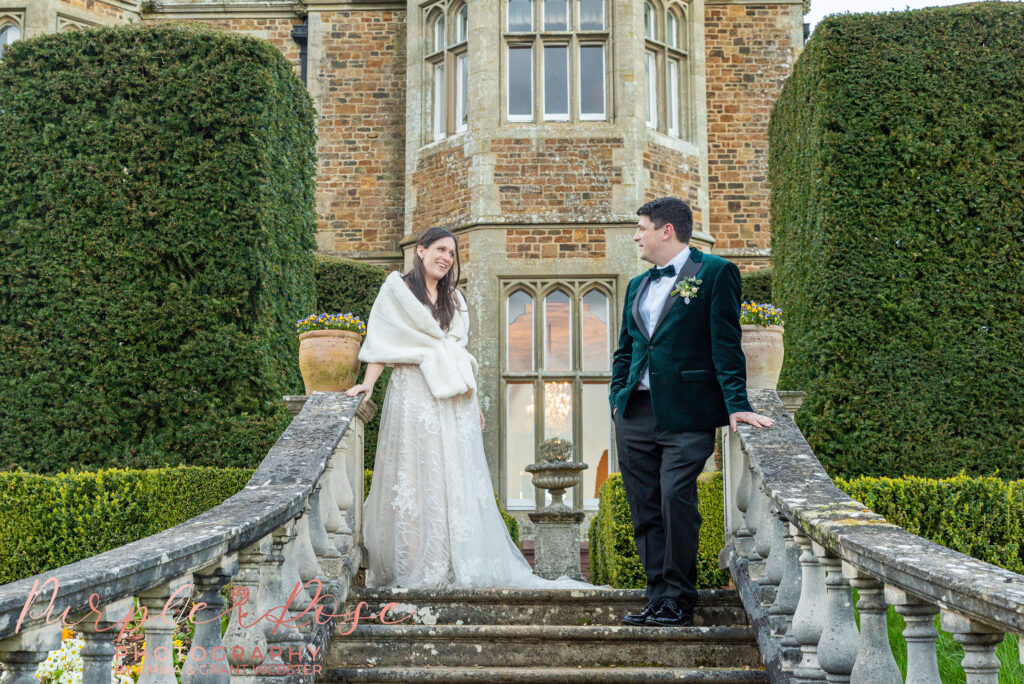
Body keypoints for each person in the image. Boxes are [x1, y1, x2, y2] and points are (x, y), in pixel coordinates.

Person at [346, 227, 594, 590]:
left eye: (451, 252)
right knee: (417, 476)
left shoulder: (456, 302)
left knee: (453, 478)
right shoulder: (397, 290)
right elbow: (383, 341)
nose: (446, 257)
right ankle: (420, 564)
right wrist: (367, 385)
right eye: (440, 249)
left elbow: (459, 357)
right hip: (413, 391)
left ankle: (451, 563)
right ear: (421, 250)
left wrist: (473, 400)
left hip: (454, 400)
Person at [609, 197, 774, 626]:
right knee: (644, 507)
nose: (636, 235)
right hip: (636, 413)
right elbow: (626, 349)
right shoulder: (637, 285)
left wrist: (737, 404)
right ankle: (656, 596)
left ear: (666, 230)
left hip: (687, 414)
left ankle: (680, 599)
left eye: (641, 227)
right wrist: (616, 398)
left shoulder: (716, 273)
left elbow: (726, 343)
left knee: (674, 499)